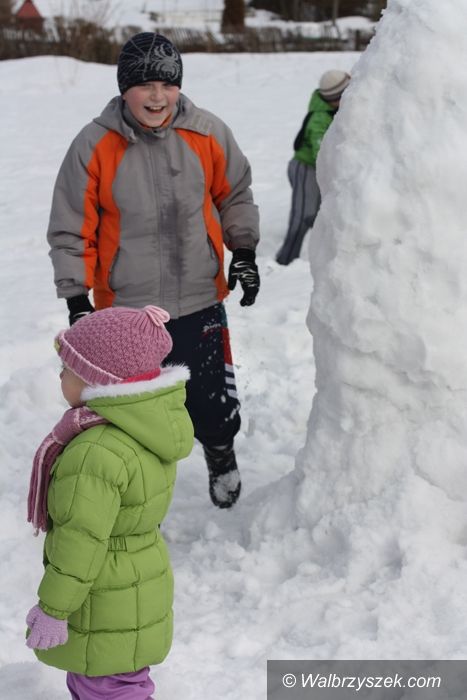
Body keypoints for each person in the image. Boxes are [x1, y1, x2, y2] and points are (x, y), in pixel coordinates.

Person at [47, 32, 260, 509]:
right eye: (145, 85)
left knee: (212, 404)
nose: (158, 97)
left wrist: (243, 251)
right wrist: (77, 298)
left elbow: (235, 195)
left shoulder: (207, 133)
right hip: (127, 312)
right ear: (125, 89)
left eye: (167, 84)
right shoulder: (94, 145)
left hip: (199, 298)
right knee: (133, 414)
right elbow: (71, 226)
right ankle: (139, 495)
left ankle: (220, 453)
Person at [25, 305, 194, 700]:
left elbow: (79, 543)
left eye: (67, 369)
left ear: (97, 380)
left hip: (102, 596)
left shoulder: (94, 452)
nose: (60, 376)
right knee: (113, 682)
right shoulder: (143, 428)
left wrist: (54, 609)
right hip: (134, 583)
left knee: (105, 688)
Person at [276, 69, 351, 265]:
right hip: (305, 169)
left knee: (320, 214)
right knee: (302, 215)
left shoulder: (336, 110)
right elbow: (322, 154)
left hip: (318, 170)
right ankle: (285, 261)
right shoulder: (319, 118)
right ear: (334, 99)